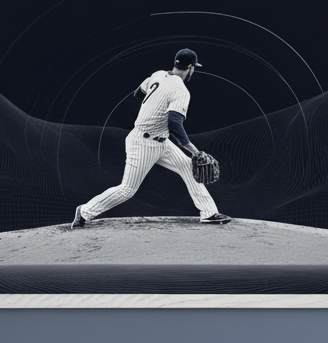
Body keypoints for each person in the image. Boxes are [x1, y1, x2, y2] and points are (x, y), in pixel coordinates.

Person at [71, 49, 230, 228]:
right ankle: (85, 211)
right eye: (194, 68)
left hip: (161, 141)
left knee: (187, 166)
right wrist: (195, 151)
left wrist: (155, 104)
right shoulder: (180, 90)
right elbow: (174, 124)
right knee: (127, 189)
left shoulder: (158, 75)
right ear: (191, 68)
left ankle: (209, 213)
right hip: (143, 143)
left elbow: (138, 93)